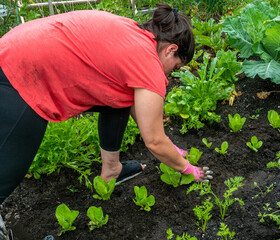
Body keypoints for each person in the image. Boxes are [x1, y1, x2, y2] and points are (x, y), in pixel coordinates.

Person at [0, 3, 212, 238]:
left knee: (120, 96)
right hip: (17, 73)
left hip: (16, 47)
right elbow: (153, 140)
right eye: (175, 67)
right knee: (6, 173)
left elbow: (137, 110)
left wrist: (170, 146)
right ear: (171, 49)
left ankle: (111, 170)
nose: (168, 75)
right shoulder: (148, 62)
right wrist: (188, 169)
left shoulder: (134, 35)